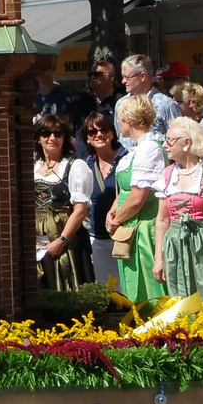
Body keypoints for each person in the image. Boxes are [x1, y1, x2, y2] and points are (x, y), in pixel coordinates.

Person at [108, 95, 166, 302]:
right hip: (130, 226)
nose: (118, 123)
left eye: (120, 119)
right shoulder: (136, 149)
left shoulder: (149, 148)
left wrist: (116, 220)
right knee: (132, 286)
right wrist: (112, 211)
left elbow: (137, 198)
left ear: (129, 120)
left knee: (148, 287)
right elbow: (126, 191)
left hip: (144, 228)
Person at [154, 118, 203, 300]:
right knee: (180, 296)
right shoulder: (168, 174)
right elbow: (162, 219)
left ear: (187, 142)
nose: (164, 145)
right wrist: (159, 257)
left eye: (169, 140)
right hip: (175, 243)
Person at [33, 114, 90, 290]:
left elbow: (80, 211)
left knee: (66, 283)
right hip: (37, 240)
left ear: (65, 138)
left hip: (65, 237)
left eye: (58, 133)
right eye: (46, 133)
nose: (52, 138)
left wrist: (61, 240)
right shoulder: (32, 166)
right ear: (38, 138)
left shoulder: (75, 166)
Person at [81, 112, 123, 284]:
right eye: (92, 132)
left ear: (112, 133)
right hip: (97, 238)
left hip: (124, 235)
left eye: (104, 129)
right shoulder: (86, 165)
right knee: (105, 289)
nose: (99, 134)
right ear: (87, 139)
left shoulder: (126, 159)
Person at [120, 55, 178, 140]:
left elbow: (176, 139)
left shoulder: (166, 105)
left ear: (143, 76)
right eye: (123, 77)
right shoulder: (121, 104)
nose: (123, 81)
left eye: (128, 77)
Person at [33, 58, 93, 129]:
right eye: (38, 69)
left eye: (45, 68)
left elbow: (65, 124)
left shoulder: (64, 96)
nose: (42, 72)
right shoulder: (31, 96)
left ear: (53, 68)